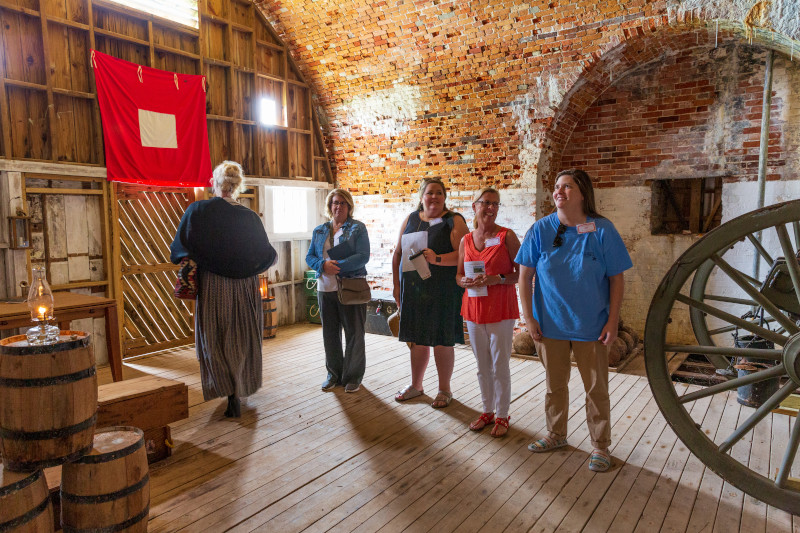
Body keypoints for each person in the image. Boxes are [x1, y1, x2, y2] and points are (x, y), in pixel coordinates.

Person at [516, 168, 632, 472]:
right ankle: (556, 434)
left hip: (591, 325)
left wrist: (613, 321)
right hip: (549, 324)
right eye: (557, 187)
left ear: (583, 193)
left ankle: (600, 446)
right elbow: (524, 275)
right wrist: (528, 318)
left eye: (567, 187)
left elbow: (616, 279)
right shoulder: (540, 229)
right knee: (555, 385)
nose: (559, 192)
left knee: (596, 389)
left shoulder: (602, 230)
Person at [170, 161, 277, 418]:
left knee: (214, 337)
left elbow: (180, 248)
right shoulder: (249, 217)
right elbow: (267, 255)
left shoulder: (197, 210)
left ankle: (226, 391)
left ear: (214, 183)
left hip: (213, 284)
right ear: (238, 186)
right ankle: (239, 390)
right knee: (242, 335)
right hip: (244, 286)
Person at [392, 177, 469, 408]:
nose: (434, 197)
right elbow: (397, 254)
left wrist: (436, 258)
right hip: (414, 291)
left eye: (438, 193)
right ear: (421, 196)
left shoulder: (453, 221)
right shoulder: (411, 219)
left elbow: (466, 255)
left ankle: (444, 389)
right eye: (429, 192)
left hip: (443, 290)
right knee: (417, 340)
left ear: (444, 197)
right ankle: (417, 385)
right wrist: (396, 286)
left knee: (442, 340)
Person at [457, 187, 520, 437]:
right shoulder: (466, 240)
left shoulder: (507, 236)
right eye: (486, 203)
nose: (491, 208)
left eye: (496, 204)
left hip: (501, 308)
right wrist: (464, 282)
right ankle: (487, 411)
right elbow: (459, 275)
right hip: (473, 308)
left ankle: (503, 415)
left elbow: (521, 273)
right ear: (475, 206)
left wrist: (498, 278)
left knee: (499, 363)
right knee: (482, 365)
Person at [306, 189, 371, 393]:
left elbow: (363, 256)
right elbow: (309, 257)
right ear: (329, 206)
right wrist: (322, 266)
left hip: (350, 287)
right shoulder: (319, 230)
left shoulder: (358, 228)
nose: (338, 206)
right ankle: (333, 374)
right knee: (330, 334)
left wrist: (339, 265)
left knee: (354, 333)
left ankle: (352, 377)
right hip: (325, 289)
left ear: (349, 207)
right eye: (335, 203)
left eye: (343, 203)